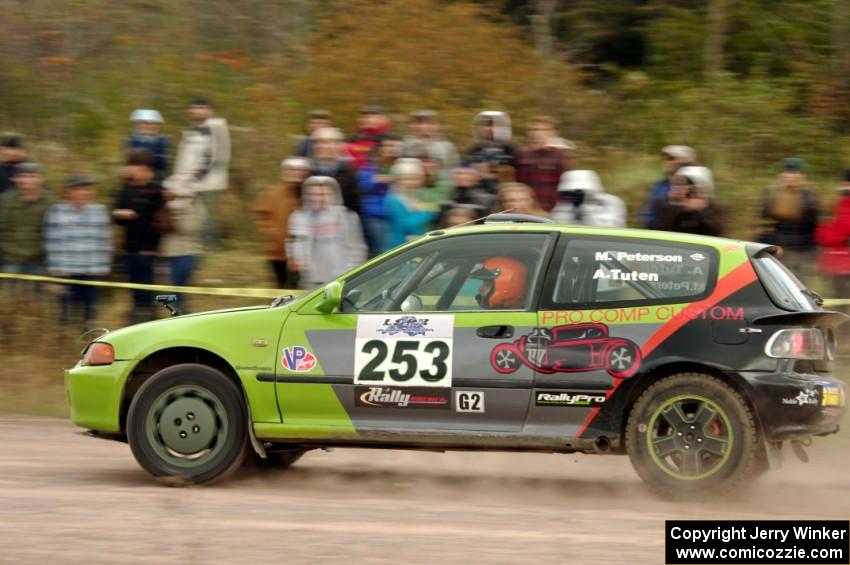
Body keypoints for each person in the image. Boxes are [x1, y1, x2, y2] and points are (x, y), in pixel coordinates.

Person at [43, 175, 112, 323]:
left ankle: (88, 339)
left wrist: (104, 266)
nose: (84, 193)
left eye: (87, 189)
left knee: (90, 311)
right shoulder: (56, 211)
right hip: (66, 270)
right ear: (69, 192)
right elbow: (51, 241)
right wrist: (54, 268)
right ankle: (65, 339)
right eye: (80, 189)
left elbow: (105, 240)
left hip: (91, 270)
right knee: (66, 312)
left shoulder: (100, 211)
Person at [167, 98, 230, 247]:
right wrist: (181, 180)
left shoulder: (217, 128)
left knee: (207, 217)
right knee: (193, 216)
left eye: (202, 108)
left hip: (207, 182)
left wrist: (198, 177)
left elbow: (218, 156)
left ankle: (210, 249)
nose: (197, 110)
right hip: (188, 182)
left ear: (210, 110)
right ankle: (196, 247)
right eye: (195, 108)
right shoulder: (191, 131)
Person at [113, 149, 165, 323]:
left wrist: (153, 249)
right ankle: (136, 323)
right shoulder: (126, 189)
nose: (131, 170)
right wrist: (121, 214)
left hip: (148, 252)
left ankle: (152, 322)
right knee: (134, 290)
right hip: (129, 249)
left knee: (148, 291)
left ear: (147, 168)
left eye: (135, 166)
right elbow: (115, 214)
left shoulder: (158, 191)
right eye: (130, 166)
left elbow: (163, 222)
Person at [287, 176, 367, 289]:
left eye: (324, 194)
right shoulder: (299, 217)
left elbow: (357, 247)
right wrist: (297, 258)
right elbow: (297, 241)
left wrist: (353, 272)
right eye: (315, 194)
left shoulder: (347, 217)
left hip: (341, 278)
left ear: (333, 194)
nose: (320, 198)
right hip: (312, 280)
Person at [253, 157, 310, 288]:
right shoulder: (273, 194)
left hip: (304, 253)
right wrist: (272, 233)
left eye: (299, 170)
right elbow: (261, 214)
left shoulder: (310, 195)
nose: (295, 173)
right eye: (291, 170)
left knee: (300, 287)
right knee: (281, 286)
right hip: (277, 253)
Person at [759, 158, 819, 279]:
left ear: (802, 176)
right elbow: (764, 226)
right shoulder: (772, 196)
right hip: (779, 251)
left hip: (801, 252)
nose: (791, 176)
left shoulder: (809, 197)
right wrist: (770, 247)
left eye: (795, 172)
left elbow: (814, 227)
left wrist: (811, 252)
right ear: (781, 175)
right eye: (788, 172)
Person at [160, 183, 205, 311]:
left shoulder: (194, 205)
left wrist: (177, 215)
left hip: (188, 251)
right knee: (174, 289)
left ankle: (180, 314)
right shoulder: (166, 204)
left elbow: (192, 227)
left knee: (179, 288)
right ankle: (177, 313)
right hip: (170, 252)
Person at [357, 135, 403, 256]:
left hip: (398, 214)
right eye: (387, 145)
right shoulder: (371, 166)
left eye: (393, 146)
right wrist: (386, 179)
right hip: (377, 215)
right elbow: (364, 183)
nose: (390, 149)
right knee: (383, 253)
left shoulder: (401, 165)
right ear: (380, 148)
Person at [0, 162, 50, 276]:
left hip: (37, 261)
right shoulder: (5, 200)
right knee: (9, 293)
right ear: (15, 179)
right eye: (23, 176)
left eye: (32, 176)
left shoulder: (49, 203)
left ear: (40, 179)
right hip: (10, 260)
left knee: (36, 293)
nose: (27, 180)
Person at [383, 158, 439, 250]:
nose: (410, 182)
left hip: (419, 241)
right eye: (405, 179)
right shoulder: (393, 199)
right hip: (399, 245)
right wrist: (429, 212)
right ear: (397, 180)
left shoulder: (420, 195)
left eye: (414, 179)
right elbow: (405, 224)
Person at [651, 165, 723, 236]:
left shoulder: (713, 210)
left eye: (691, 185)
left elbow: (715, 230)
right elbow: (656, 230)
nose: (685, 189)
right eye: (679, 184)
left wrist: (701, 210)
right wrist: (679, 206)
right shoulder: (665, 205)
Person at [514, 116, 566, 212]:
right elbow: (514, 181)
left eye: (544, 129)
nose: (538, 133)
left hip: (553, 206)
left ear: (554, 132)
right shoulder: (521, 154)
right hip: (525, 206)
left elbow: (565, 182)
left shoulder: (560, 154)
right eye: (534, 129)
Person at [641, 145, 697, 228]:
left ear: (685, 160)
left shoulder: (698, 183)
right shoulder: (660, 185)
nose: (667, 162)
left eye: (672, 158)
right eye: (666, 158)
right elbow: (648, 214)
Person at [815, 170, 850, 302]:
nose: (847, 187)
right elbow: (823, 232)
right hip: (838, 260)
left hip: (840, 257)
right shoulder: (834, 203)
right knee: (838, 296)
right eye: (846, 183)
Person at [551, 170, 626, 227]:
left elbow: (611, 228)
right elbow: (558, 226)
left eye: (578, 192)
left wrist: (585, 212)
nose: (573, 197)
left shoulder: (610, 203)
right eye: (568, 193)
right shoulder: (562, 207)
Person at [311, 127, 360, 213]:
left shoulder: (349, 172)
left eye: (329, 143)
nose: (323, 146)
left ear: (339, 146)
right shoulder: (308, 172)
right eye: (320, 142)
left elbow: (355, 204)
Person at [465, 111, 516, 193]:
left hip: (505, 191)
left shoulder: (510, 149)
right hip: (478, 191)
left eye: (493, 126)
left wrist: (489, 169)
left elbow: (513, 172)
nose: (489, 129)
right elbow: (468, 172)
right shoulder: (473, 150)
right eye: (486, 125)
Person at [346, 105, 393, 170]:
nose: (365, 120)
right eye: (363, 117)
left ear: (382, 119)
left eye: (369, 117)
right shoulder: (355, 138)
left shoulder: (388, 139)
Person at [127, 109, 170, 179]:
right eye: (142, 123)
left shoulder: (162, 140)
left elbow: (162, 164)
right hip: (134, 177)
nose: (144, 126)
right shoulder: (132, 139)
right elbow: (129, 160)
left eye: (148, 123)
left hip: (155, 177)